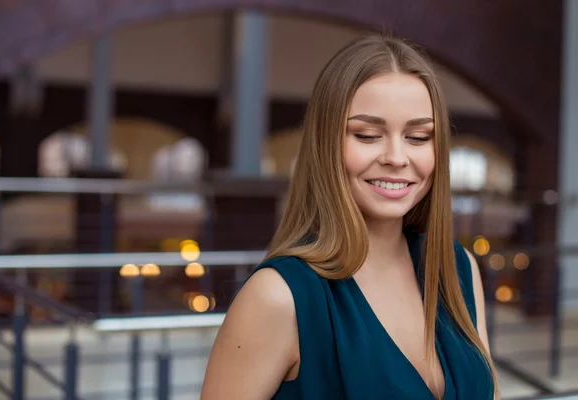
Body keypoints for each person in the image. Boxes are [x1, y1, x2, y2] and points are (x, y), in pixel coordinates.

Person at [201, 33, 498, 400]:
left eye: (419, 137)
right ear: (326, 144)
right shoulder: (279, 296)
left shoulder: (458, 268)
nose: (396, 157)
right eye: (368, 134)